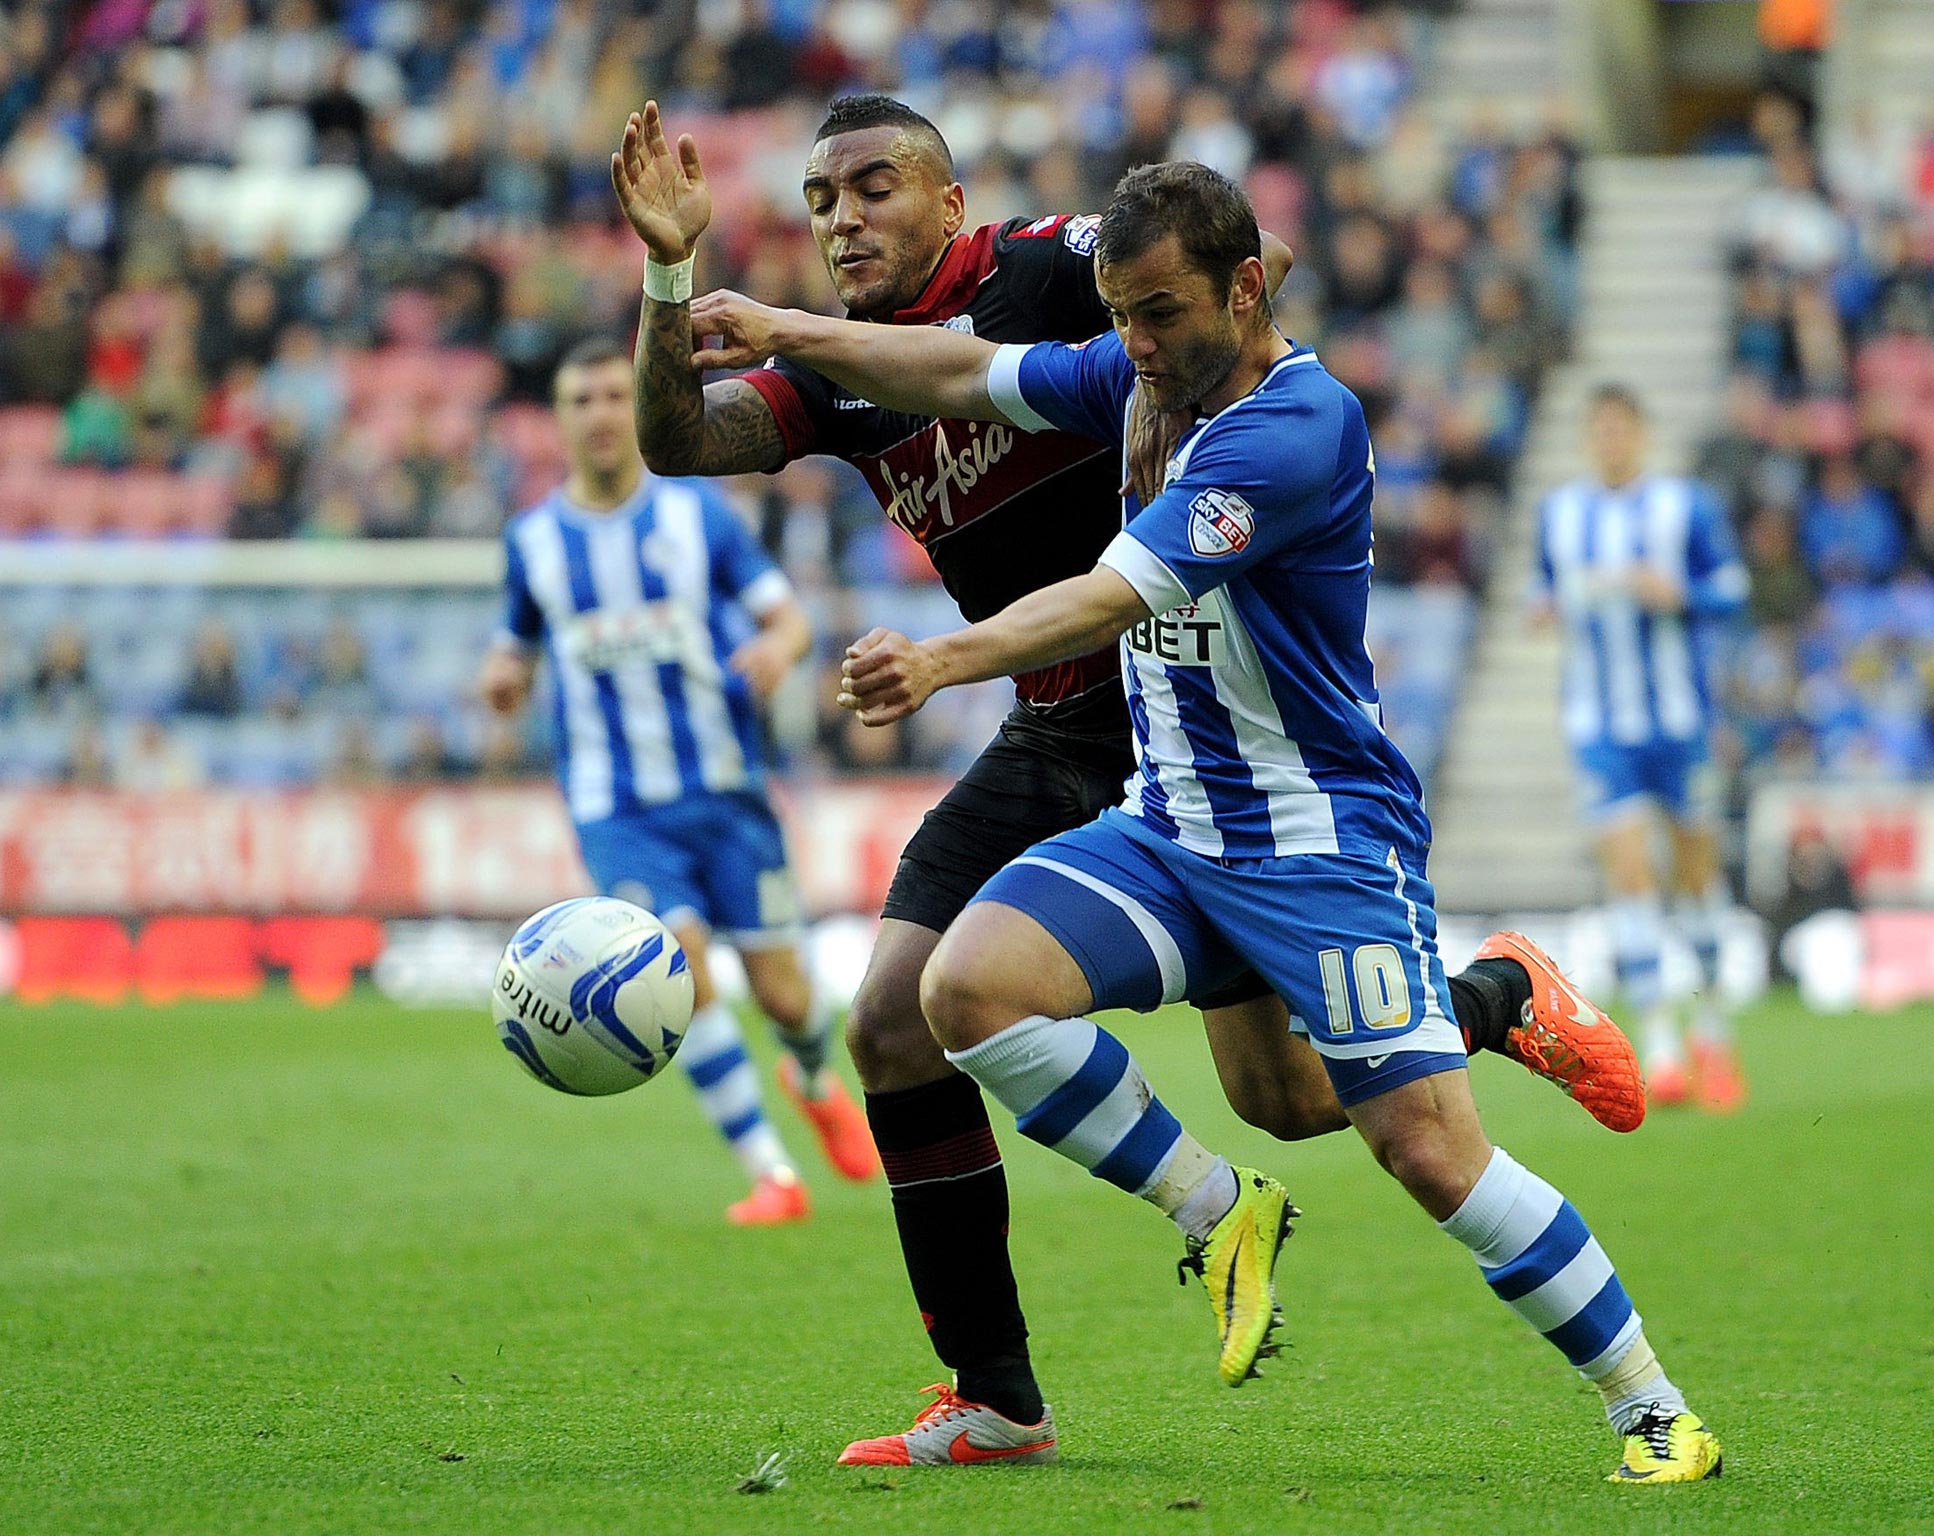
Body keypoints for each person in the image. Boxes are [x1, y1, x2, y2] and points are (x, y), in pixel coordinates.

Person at [615, 95, 1646, 1466]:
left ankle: (1480, 1006)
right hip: (1057, 730)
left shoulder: (1056, 271)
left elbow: (1251, 258)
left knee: (1287, 1094)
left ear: (949, 196)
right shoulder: (848, 375)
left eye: (874, 187)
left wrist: (1174, 431)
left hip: (1206, 718)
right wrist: (670, 275)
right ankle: (1002, 1391)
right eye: (819, 200)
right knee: (896, 1024)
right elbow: (680, 443)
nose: (843, 217)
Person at [479, 336, 878, 1225]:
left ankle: (809, 1073)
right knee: (681, 971)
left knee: (787, 996)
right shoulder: (534, 542)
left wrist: (776, 649)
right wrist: (503, 682)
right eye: (579, 400)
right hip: (617, 808)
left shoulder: (697, 518)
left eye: (613, 397)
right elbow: (511, 655)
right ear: (559, 420)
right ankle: (771, 1174)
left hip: (727, 790)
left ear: (639, 407)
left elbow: (790, 620)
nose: (598, 415)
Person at [1532, 386, 1752, 1110]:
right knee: (1630, 876)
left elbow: (1733, 586)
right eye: (1601, 430)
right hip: (1599, 728)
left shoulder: (1682, 507)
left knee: (1696, 879)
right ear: (1589, 439)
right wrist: (1545, 609)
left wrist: (1681, 594)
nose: (1612, 441)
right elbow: (1544, 587)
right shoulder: (1560, 516)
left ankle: (1713, 1032)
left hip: (1681, 722)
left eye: (1622, 429)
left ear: (1642, 435)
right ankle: (1660, 1043)